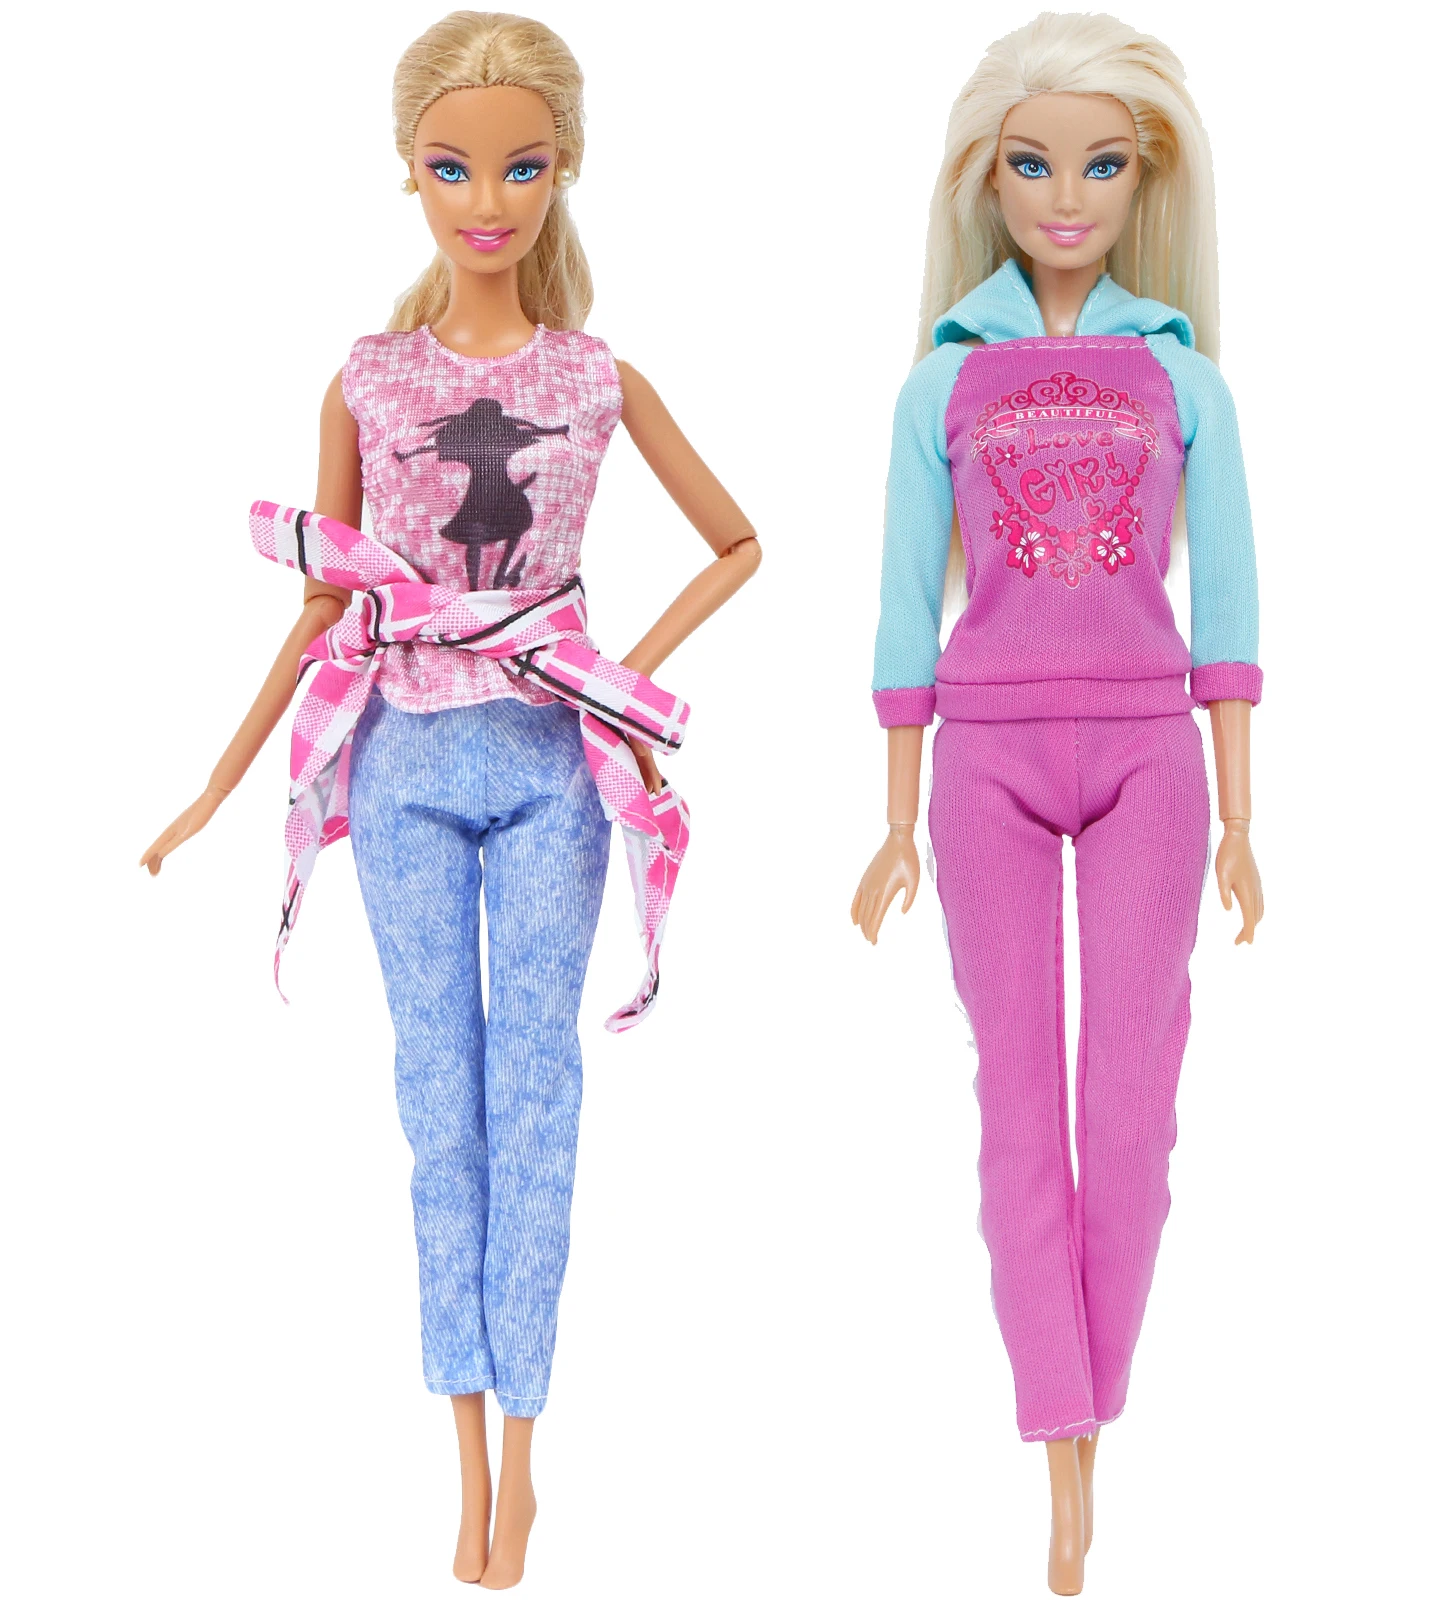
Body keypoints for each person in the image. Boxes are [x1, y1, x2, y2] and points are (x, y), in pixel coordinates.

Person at [141, 12, 760, 1587]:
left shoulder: (594, 376)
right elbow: (324, 598)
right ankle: (465, 1457)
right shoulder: (365, 377)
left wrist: (610, 675)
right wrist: (219, 780)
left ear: (566, 170)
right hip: (404, 757)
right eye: (453, 167)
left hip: (552, 761)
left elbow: (739, 541)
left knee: (535, 1095)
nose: (487, 200)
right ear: (408, 173)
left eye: (521, 167)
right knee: (441, 1102)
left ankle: (527, 1458)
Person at [850, 13, 1263, 1593]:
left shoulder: (1187, 378)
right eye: (1032, 166)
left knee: (1132, 1105)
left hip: (1155, 751)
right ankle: (1059, 1441)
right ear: (987, 180)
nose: (1067, 197)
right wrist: (893, 817)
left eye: (1099, 165)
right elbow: (906, 603)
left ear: (1145, 174)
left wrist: (1242, 817)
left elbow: (1228, 600)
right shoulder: (941, 382)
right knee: (1019, 1106)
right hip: (985, 760)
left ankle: (1097, 1409)